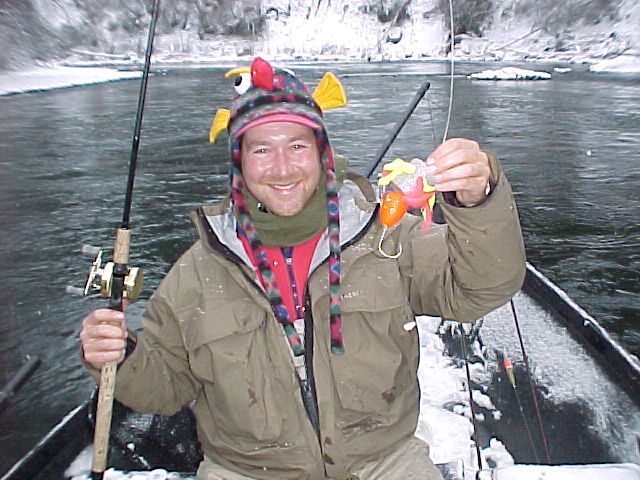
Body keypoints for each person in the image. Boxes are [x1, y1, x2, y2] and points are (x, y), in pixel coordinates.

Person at [80, 57, 526, 480]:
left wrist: (478, 198)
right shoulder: (196, 273)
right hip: (244, 470)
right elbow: (166, 390)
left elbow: (480, 287)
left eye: (296, 145)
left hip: (382, 461)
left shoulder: (384, 238)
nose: (282, 168)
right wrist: (120, 357)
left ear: (322, 153)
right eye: (260, 150)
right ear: (238, 162)